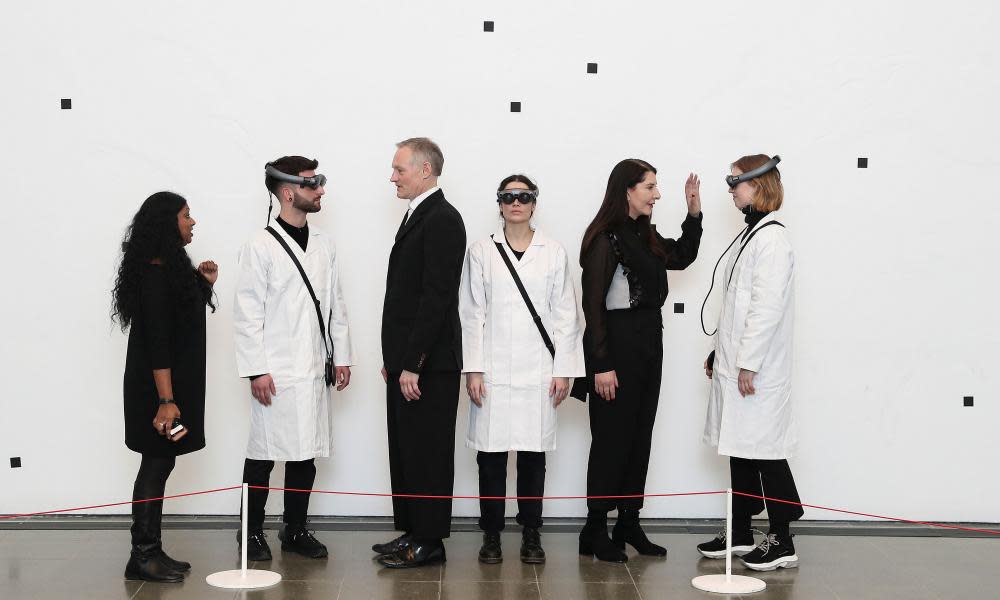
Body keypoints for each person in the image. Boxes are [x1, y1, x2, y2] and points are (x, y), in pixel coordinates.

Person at [578, 159, 702, 562]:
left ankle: (628, 522)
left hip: (649, 343)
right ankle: (594, 528)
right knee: (611, 439)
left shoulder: (644, 234)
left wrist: (694, 213)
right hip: (615, 349)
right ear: (627, 190)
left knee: (639, 435)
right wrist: (600, 364)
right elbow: (593, 305)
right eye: (650, 187)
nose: (657, 194)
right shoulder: (604, 238)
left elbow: (681, 256)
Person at [232, 155, 355, 561]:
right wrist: (256, 370)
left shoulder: (325, 246)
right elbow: (247, 312)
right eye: (312, 183)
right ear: (288, 192)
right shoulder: (260, 246)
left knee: (306, 453)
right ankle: (250, 532)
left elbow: (335, 303)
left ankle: (295, 529)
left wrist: (341, 356)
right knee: (264, 453)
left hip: (314, 366)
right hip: (276, 370)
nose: (321, 190)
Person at [459, 174, 584, 565]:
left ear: (534, 203)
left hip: (538, 371)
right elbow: (471, 312)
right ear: (499, 203)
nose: (517, 202)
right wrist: (473, 369)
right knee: (491, 458)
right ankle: (491, 535)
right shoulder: (481, 250)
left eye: (524, 196)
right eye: (509, 196)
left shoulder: (553, 251)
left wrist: (564, 369)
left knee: (533, 457)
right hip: (493, 370)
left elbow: (567, 315)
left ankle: (532, 533)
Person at [698, 154, 802, 571]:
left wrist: (749, 363)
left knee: (765, 451)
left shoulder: (772, 240)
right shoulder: (752, 236)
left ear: (759, 184)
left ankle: (783, 539)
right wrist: (719, 352)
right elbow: (739, 309)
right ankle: (740, 530)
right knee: (740, 448)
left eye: (735, 181)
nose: (730, 188)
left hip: (757, 371)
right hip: (738, 361)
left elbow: (766, 309)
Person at [113, 191, 217, 582]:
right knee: (155, 465)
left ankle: (150, 551)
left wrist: (204, 285)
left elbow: (179, 327)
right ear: (167, 224)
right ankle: (142, 556)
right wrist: (167, 401)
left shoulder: (164, 271)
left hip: (164, 392)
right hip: (157, 395)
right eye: (186, 216)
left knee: (161, 463)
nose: (193, 222)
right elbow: (159, 346)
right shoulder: (155, 278)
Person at [374, 137, 467, 569]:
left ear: (425, 170)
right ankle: (413, 532)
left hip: (431, 366)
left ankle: (429, 541)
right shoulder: (419, 215)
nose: (393, 176)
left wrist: (414, 363)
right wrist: (396, 358)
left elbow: (436, 296)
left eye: (399, 169)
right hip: (408, 363)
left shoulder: (443, 219)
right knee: (407, 450)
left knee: (428, 453)